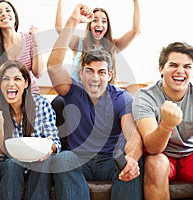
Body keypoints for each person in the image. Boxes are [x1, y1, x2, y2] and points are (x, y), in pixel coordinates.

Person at [47, 4, 143, 200]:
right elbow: (54, 66)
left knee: (133, 165)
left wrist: (131, 159)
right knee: (63, 158)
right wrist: (73, 21)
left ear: (110, 75)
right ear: (81, 73)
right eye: (89, 71)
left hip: (110, 160)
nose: (94, 78)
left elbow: (133, 137)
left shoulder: (121, 98)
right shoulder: (72, 92)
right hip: (79, 160)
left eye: (101, 72)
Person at [0, 60, 89, 200]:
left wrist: (49, 147)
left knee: (44, 162)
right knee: (12, 165)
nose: (11, 84)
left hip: (39, 163)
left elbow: (55, 143)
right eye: (5, 79)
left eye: (17, 79)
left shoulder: (40, 104)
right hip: (9, 165)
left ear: (26, 83)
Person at [132, 42, 193, 199]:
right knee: (155, 164)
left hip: (192, 155)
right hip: (162, 156)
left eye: (187, 67)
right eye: (173, 65)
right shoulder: (145, 97)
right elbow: (152, 148)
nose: (180, 71)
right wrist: (166, 125)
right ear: (161, 69)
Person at [55, 0, 141, 83]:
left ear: (108, 26)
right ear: (89, 24)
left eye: (104, 21)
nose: (99, 24)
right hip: (75, 94)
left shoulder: (112, 46)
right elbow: (60, 30)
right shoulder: (79, 43)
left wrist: (136, 1)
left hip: (99, 95)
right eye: (95, 20)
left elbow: (136, 31)